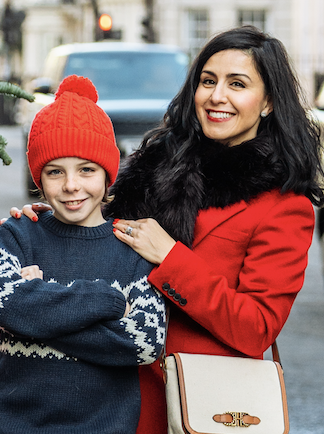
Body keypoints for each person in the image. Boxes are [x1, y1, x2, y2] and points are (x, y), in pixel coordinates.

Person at [6, 26, 324, 434]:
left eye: (237, 84)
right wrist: (48, 219)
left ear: (268, 103)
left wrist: (172, 257)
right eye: (208, 81)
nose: (216, 96)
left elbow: (256, 326)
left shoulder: (283, 206)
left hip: (193, 399)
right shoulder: (156, 166)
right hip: (108, 394)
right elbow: (98, 229)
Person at [0, 75, 165, 433]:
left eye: (86, 170)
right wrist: (106, 300)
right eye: (55, 172)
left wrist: (34, 315)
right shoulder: (15, 236)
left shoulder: (133, 247)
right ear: (38, 180)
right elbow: (5, 304)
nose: (71, 185)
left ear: (108, 174)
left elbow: (144, 342)